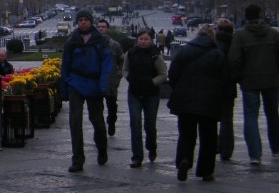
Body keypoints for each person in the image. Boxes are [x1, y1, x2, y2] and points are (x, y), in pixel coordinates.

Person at [168, 25, 226, 181]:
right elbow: (225, 79)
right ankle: (206, 170)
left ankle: (184, 160)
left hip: (185, 100)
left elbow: (172, 74)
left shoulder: (185, 51)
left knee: (186, 134)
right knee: (208, 137)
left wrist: (179, 89)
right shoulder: (217, 54)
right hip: (209, 101)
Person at [60, 8, 114, 173]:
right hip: (76, 83)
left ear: (91, 22)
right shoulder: (72, 41)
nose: (83, 22)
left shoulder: (101, 41)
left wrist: (104, 86)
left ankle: (102, 148)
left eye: (86, 20)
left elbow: (107, 66)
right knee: (75, 122)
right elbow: (65, 65)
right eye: (80, 20)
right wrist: (64, 88)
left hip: (94, 83)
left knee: (97, 121)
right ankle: (77, 159)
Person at [228, 3, 279, 164]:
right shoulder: (272, 33)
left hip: (249, 80)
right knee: (273, 115)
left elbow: (234, 59)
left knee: (250, 116)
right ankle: (276, 149)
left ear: (246, 16)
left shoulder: (240, 35)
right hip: (272, 79)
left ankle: (255, 154)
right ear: (260, 15)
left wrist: (238, 77)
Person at [122, 28, 167, 167]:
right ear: (137, 40)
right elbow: (124, 69)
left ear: (151, 40)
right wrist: (129, 77)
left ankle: (151, 146)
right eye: (141, 39)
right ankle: (137, 156)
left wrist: (152, 82)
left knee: (150, 124)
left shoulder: (156, 55)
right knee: (135, 124)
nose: (143, 41)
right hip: (134, 92)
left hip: (151, 94)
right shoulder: (131, 53)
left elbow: (163, 74)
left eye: (146, 39)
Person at [214, 18, 238, 160]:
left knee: (210, 118)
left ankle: (215, 145)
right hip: (229, 85)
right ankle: (227, 150)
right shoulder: (235, 42)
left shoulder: (214, 43)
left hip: (214, 84)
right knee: (227, 119)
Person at [97, 19, 124, 136]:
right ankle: (101, 127)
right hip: (97, 80)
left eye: (103, 26)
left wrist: (119, 74)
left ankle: (111, 122)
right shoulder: (94, 44)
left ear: (107, 29)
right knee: (97, 108)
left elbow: (122, 60)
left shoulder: (114, 45)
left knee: (112, 106)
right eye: (99, 27)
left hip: (111, 81)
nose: (101, 28)